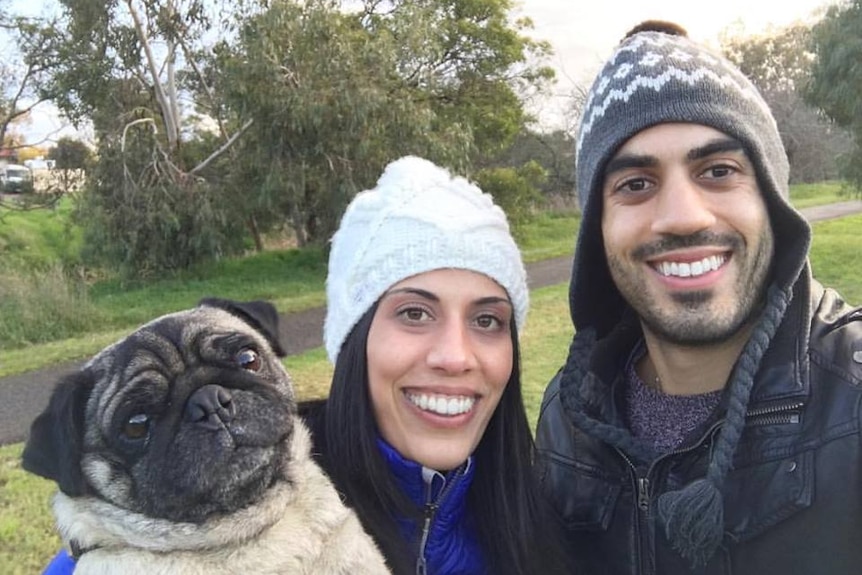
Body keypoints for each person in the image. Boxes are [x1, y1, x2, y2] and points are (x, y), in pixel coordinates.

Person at [535, 20, 862, 575]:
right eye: (635, 183)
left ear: (771, 202)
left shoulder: (851, 401)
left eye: (717, 170)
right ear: (598, 228)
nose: (684, 216)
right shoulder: (570, 416)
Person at [300, 155, 572, 574]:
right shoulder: (256, 532)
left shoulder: (540, 524)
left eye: (487, 320)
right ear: (354, 338)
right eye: (414, 313)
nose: (455, 357)